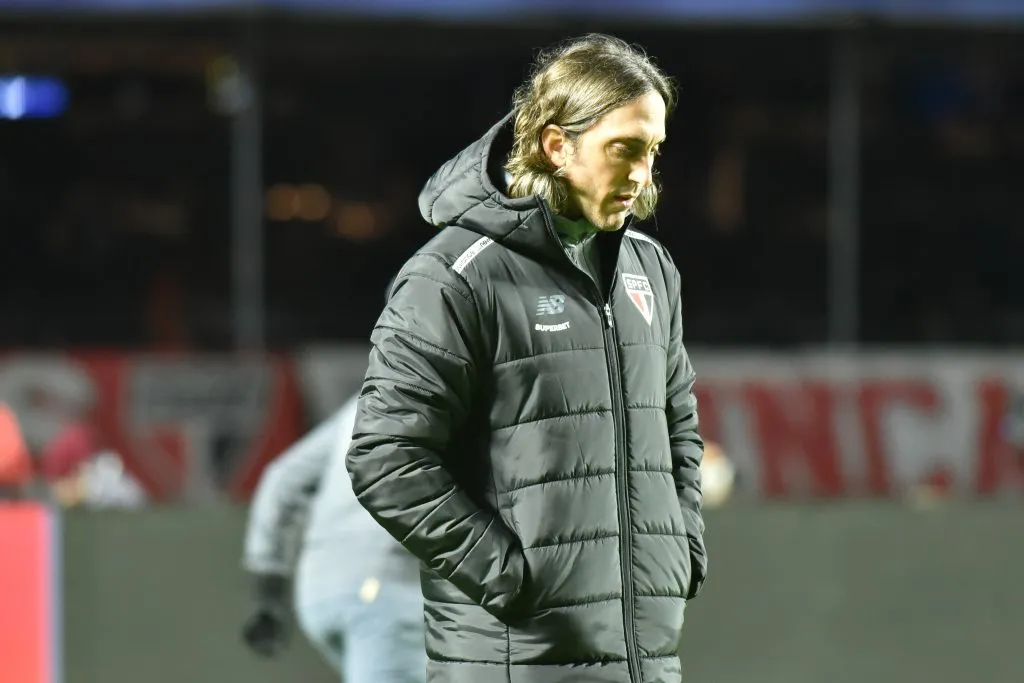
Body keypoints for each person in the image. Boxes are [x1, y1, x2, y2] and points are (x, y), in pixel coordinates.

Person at [346, 33, 706, 683]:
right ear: (556, 145)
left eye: (652, 151)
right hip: (514, 662)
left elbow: (676, 423)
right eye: (623, 149)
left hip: (645, 661)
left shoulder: (652, 271)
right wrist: (513, 577)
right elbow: (386, 457)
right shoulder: (452, 276)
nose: (643, 175)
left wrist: (682, 550)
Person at [241, 393, 425, 682]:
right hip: (386, 592)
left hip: (321, 593)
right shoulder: (458, 394)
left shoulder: (372, 397)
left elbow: (282, 479)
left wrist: (269, 591)